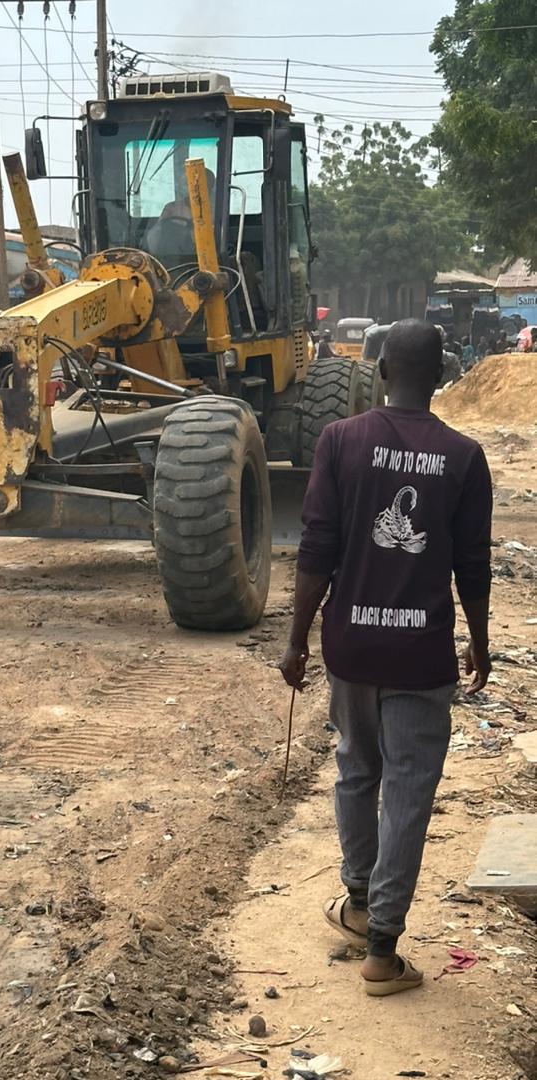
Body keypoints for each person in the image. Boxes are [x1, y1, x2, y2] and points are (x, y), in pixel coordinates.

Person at [280, 318, 492, 997]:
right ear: (439, 376)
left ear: (379, 372)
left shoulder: (340, 441)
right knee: (406, 791)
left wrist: (295, 639)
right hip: (419, 656)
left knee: (355, 771)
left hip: (352, 646)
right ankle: (381, 949)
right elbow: (472, 566)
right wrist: (479, 641)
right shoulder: (464, 458)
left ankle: (359, 900)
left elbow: (316, 550)